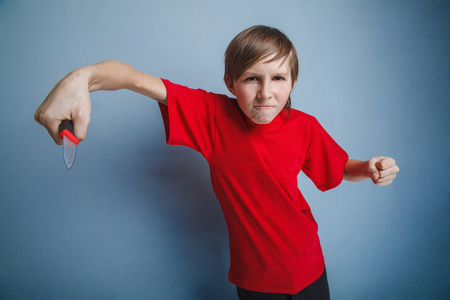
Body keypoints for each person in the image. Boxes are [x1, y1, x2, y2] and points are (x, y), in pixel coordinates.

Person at [34, 25, 399, 300]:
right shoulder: (212, 117)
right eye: (251, 79)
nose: (265, 92)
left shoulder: (304, 127)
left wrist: (367, 167)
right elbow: (131, 78)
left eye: (278, 78)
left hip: (310, 267)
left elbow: (338, 168)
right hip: (256, 280)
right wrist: (80, 77)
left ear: (293, 82)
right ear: (230, 82)